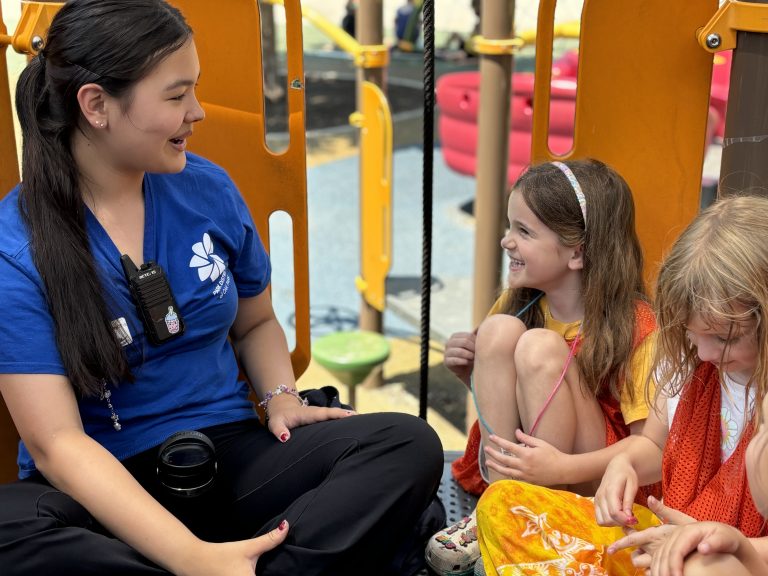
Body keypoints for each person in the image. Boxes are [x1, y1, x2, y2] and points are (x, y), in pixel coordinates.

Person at [0, 1, 443, 575]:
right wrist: (189, 556)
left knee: (404, 444)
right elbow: (58, 446)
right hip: (105, 487)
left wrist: (281, 395)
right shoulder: (19, 245)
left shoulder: (205, 189)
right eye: (176, 95)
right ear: (96, 105)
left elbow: (256, 322)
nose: (198, 112)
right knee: (10, 530)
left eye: (195, 91)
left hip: (231, 457)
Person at [476, 195, 768, 574]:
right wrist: (623, 465)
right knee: (502, 507)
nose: (707, 353)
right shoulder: (686, 362)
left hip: (721, 558)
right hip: (658, 537)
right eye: (693, 334)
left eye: (727, 338)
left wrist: (721, 544)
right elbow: (652, 445)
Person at [426, 159, 658, 575]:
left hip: (592, 482)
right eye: (510, 226)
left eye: (524, 231)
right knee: (497, 331)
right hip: (526, 470)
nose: (505, 242)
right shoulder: (520, 305)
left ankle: (526, 515)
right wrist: (471, 375)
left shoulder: (637, 326)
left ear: (577, 252)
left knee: (539, 347)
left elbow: (654, 453)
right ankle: (501, 508)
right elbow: (515, 407)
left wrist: (561, 468)